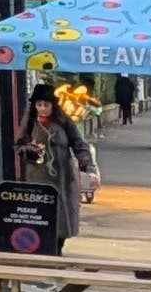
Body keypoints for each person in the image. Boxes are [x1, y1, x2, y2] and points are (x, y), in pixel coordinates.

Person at [18, 85, 100, 214]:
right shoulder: (29, 123)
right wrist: (28, 150)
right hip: (35, 176)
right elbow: (18, 145)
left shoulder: (63, 122)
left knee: (60, 213)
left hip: (62, 175)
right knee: (39, 215)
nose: (42, 109)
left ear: (53, 106)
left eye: (46, 105)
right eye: (39, 105)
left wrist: (89, 169)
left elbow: (79, 145)